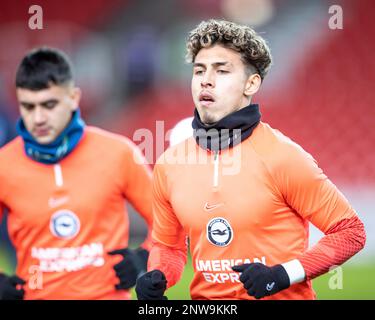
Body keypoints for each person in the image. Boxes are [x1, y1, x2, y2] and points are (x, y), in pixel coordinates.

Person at [135, 19, 366, 300]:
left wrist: (282, 275)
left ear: (251, 83)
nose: (206, 79)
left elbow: (350, 232)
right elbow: (167, 246)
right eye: (200, 70)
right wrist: (159, 275)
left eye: (222, 70)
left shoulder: (283, 156)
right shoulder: (169, 165)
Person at [0, 47, 153, 300]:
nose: (38, 118)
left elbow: (167, 222)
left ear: (73, 97)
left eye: (49, 105)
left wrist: (145, 258)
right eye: (28, 107)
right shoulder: (4, 164)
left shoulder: (118, 153)